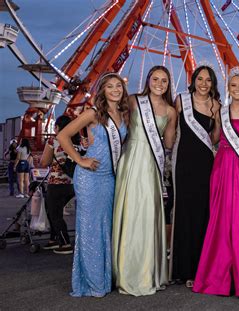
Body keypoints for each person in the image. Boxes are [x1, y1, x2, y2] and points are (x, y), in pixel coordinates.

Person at [193, 68, 239, 297]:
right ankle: (220, 276)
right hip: (223, 166)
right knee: (222, 217)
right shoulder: (221, 111)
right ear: (228, 88)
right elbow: (215, 139)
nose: (237, 89)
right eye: (233, 86)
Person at [58, 72, 128, 297]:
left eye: (119, 86)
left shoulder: (124, 114)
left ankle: (104, 278)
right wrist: (80, 159)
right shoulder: (93, 113)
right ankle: (93, 282)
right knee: (90, 229)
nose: (116, 90)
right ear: (103, 91)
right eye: (110, 87)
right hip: (89, 177)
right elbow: (63, 136)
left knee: (104, 228)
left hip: (109, 178)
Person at [112, 65, 177, 296]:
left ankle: (147, 271)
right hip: (131, 160)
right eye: (156, 79)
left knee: (148, 213)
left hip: (151, 164)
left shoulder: (171, 111)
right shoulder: (132, 100)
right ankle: (125, 270)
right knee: (130, 212)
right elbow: (118, 125)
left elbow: (168, 144)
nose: (160, 84)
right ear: (148, 80)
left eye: (164, 81)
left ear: (169, 85)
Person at [170, 65, 221, 288]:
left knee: (203, 214)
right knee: (184, 213)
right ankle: (184, 269)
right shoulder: (181, 100)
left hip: (206, 164)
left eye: (208, 80)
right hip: (183, 163)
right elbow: (171, 131)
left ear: (213, 83)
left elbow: (216, 137)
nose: (203, 84)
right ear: (194, 80)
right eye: (200, 79)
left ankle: (202, 266)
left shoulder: (216, 106)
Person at [40, 116, 80, 255]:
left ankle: (65, 243)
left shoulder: (54, 141)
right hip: (73, 184)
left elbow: (44, 162)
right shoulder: (77, 141)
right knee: (53, 210)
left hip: (57, 184)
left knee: (54, 213)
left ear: (57, 128)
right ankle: (53, 239)